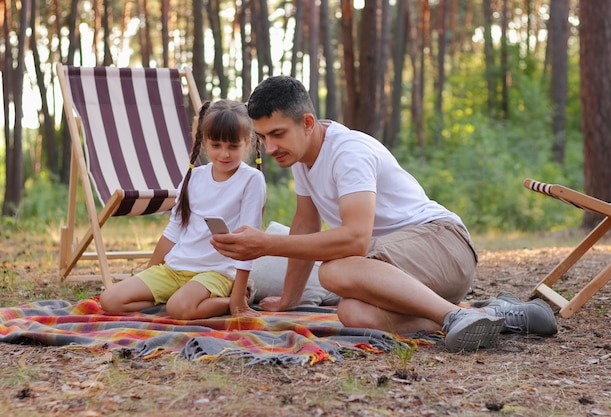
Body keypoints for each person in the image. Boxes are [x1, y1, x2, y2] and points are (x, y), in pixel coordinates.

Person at [211, 76, 557, 352]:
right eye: (262, 137)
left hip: (443, 243)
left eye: (277, 134)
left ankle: (452, 315)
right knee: (352, 313)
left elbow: (355, 238)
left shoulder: (348, 153)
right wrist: (289, 299)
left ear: (307, 122)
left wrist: (266, 244)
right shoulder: (301, 157)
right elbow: (304, 225)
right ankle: (490, 315)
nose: (269, 148)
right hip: (405, 267)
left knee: (335, 271)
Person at [100, 99, 266, 320]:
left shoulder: (251, 180)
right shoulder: (194, 177)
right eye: (216, 146)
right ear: (205, 142)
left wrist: (237, 300)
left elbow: (248, 243)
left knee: (178, 309)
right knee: (110, 300)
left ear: (247, 143)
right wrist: (148, 274)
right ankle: (181, 297)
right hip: (176, 269)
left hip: (216, 272)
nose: (224, 154)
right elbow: (173, 232)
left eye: (232, 146)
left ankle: (238, 297)